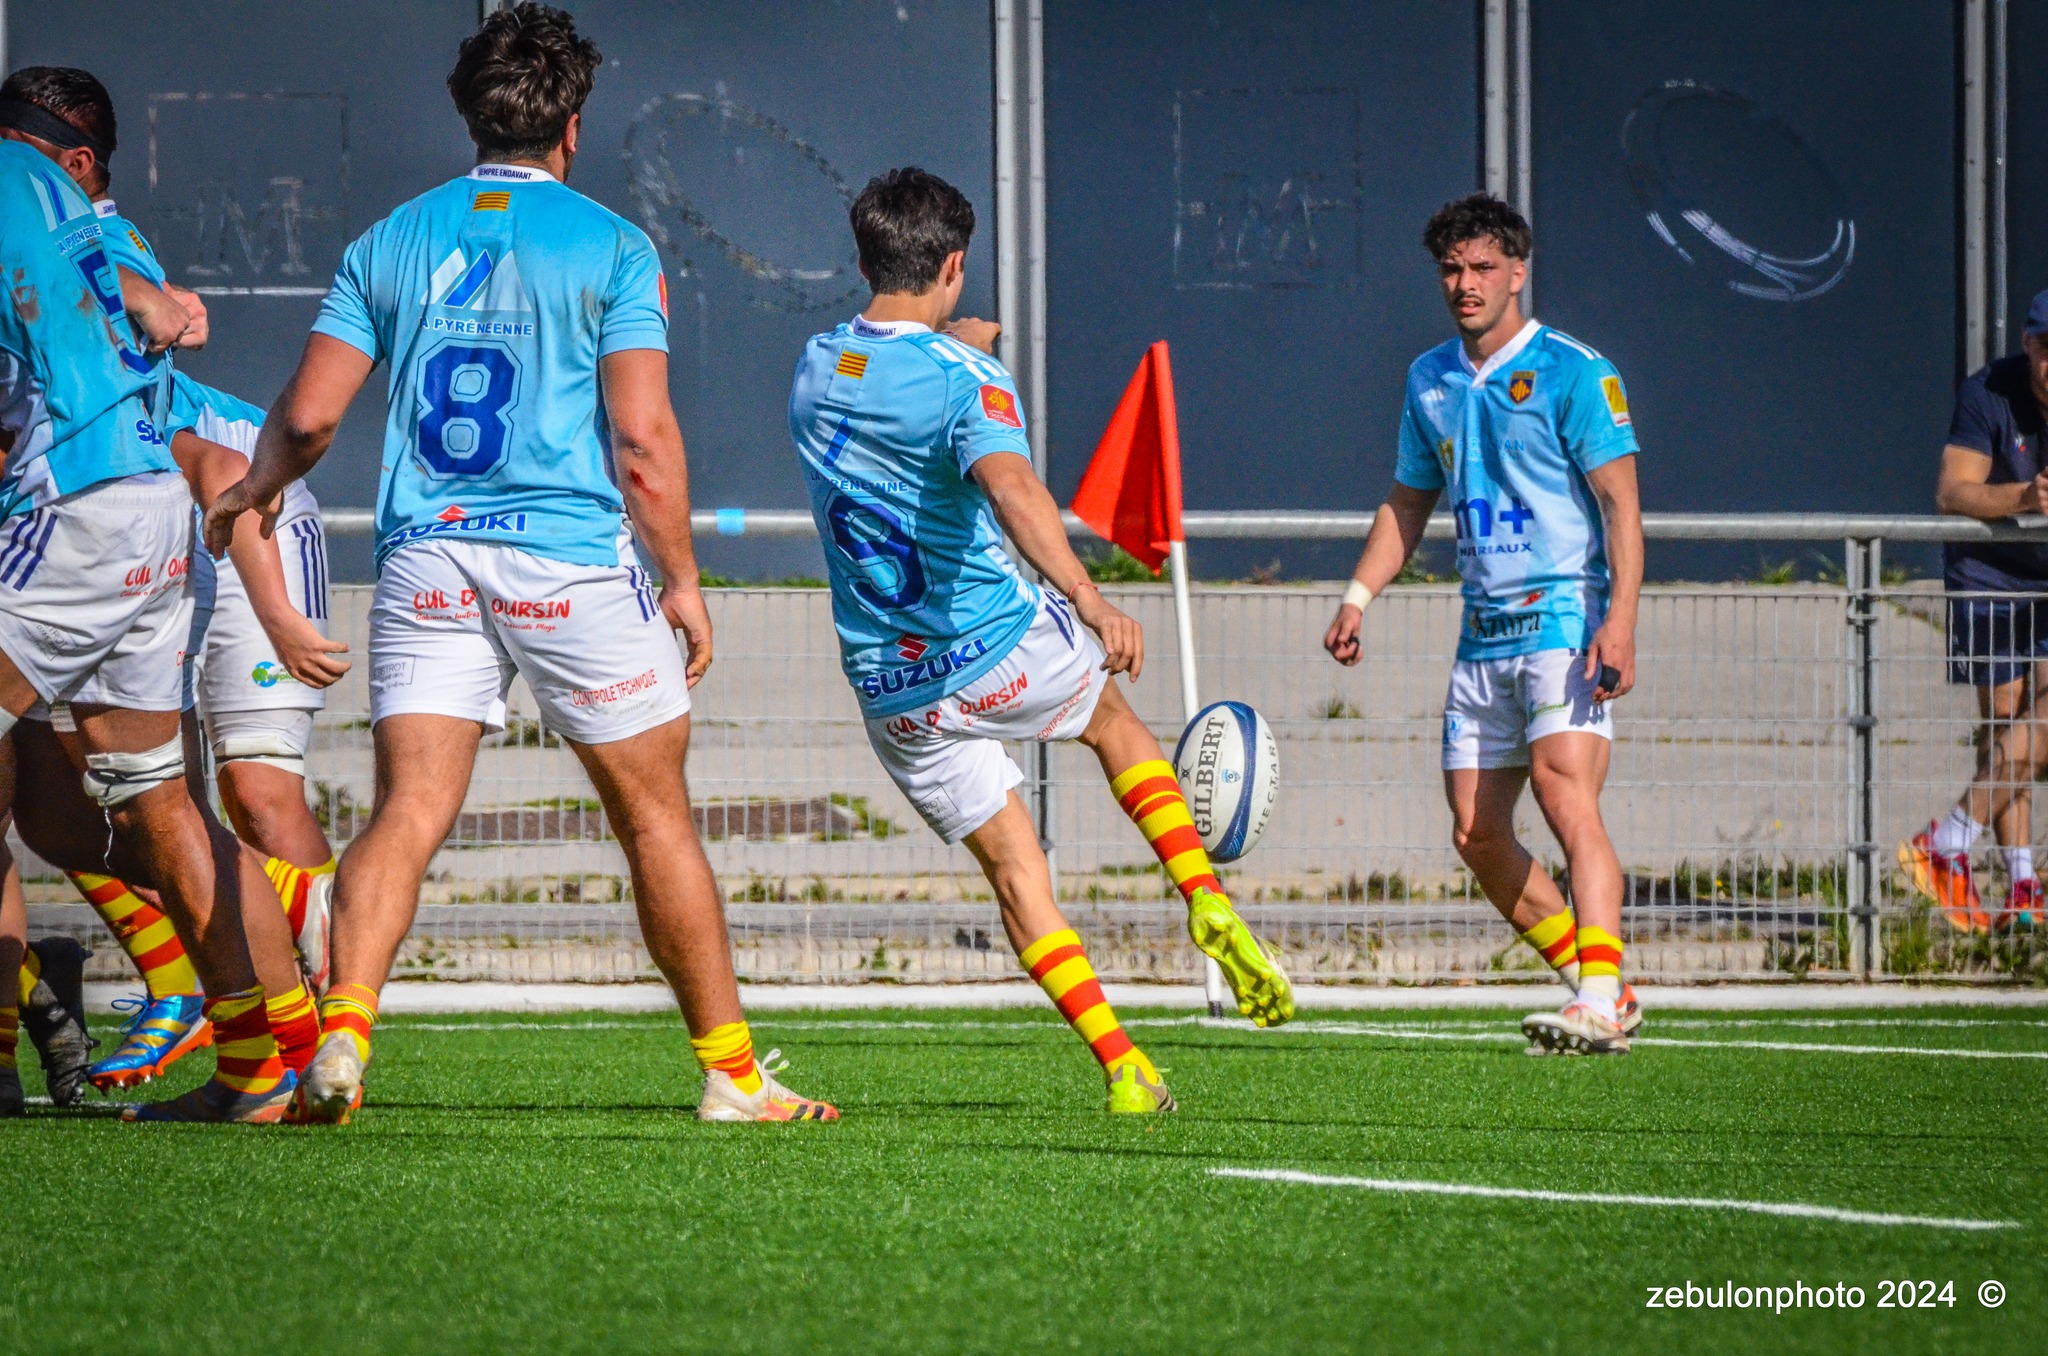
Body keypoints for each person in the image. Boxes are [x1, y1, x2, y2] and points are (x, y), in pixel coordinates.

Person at [206, 2, 836, 1125]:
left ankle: (343, 1031)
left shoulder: (388, 240)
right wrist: (682, 581)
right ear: (573, 127)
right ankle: (733, 1077)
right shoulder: (611, 245)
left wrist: (255, 487)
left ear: (468, 114)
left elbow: (305, 421)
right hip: (565, 564)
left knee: (405, 811)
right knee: (654, 819)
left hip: (430, 561)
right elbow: (641, 444)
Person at [789, 167, 1294, 1114]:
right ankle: (1202, 895)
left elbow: (887, 366)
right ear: (954, 263)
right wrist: (1092, 599)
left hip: (893, 687)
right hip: (992, 639)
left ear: (862, 259)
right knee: (1110, 719)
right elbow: (1014, 489)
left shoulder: (818, 365)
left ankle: (1125, 1068)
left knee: (1019, 878)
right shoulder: (966, 377)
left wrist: (950, 343)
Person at [0, 66, 345, 1097]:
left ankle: (304, 912)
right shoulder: (72, 203)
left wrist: (279, 612)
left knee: (236, 793)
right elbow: (163, 311)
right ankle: (252, 1067)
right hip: (156, 506)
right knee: (146, 803)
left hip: (107, 502)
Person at [1323, 193, 1644, 1055]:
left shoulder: (1575, 371)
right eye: (1452, 271)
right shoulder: (1429, 379)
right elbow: (1406, 502)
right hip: (1482, 632)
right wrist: (1358, 596)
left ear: (1519, 272)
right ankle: (1602, 985)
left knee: (1562, 791)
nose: (1465, 285)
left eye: (1482, 268)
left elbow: (1622, 507)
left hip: (1563, 622)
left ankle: (1602, 996)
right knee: (1475, 834)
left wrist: (1620, 620)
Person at [1900, 288, 2048, 933]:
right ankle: (2021, 882)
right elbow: (1951, 491)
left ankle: (1949, 841)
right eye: (2047, 349)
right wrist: (2026, 494)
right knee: (2006, 715)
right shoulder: (1987, 389)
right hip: (1991, 565)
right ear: (2027, 342)